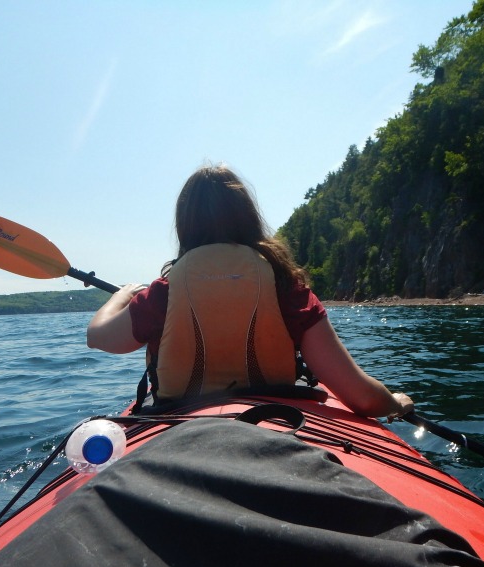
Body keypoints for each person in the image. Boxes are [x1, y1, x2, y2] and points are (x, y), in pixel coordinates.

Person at [87, 164, 413, 419]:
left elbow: (98, 336)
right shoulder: (285, 286)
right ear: (248, 217)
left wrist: (123, 296)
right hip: (280, 422)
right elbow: (363, 398)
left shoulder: (163, 293)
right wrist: (395, 403)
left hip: (180, 425)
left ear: (184, 224)